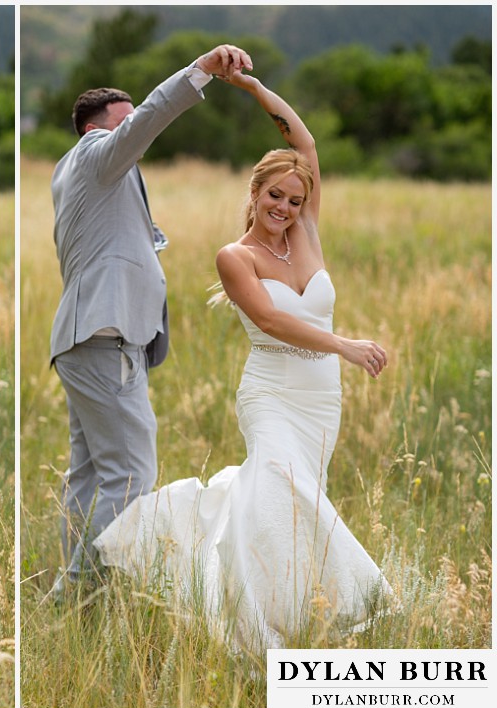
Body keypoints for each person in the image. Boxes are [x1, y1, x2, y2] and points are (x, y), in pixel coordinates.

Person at [93, 70, 392, 652]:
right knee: (278, 484)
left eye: (294, 199)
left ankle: (299, 610)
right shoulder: (235, 257)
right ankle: (247, 620)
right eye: (274, 195)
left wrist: (255, 92)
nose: (284, 207)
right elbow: (275, 321)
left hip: (320, 401)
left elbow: (304, 146)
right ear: (254, 193)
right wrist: (347, 345)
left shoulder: (306, 231)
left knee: (297, 505)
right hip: (271, 394)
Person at [48, 44, 253, 596]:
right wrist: (201, 71)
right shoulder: (95, 156)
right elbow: (154, 116)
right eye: (125, 120)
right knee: (132, 474)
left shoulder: (84, 173)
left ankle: (74, 590)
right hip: (105, 338)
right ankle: (97, 593)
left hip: (88, 339)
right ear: (96, 128)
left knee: (90, 474)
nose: (134, 126)